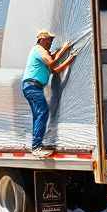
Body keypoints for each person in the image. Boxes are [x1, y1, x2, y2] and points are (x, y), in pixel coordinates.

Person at [22, 30, 76, 158]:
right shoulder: (39, 49)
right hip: (32, 86)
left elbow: (55, 70)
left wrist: (69, 59)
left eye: (51, 40)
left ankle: (37, 144)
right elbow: (52, 61)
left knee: (38, 115)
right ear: (41, 39)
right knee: (43, 112)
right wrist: (64, 49)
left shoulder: (43, 54)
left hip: (33, 86)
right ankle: (36, 147)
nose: (51, 42)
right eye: (49, 40)